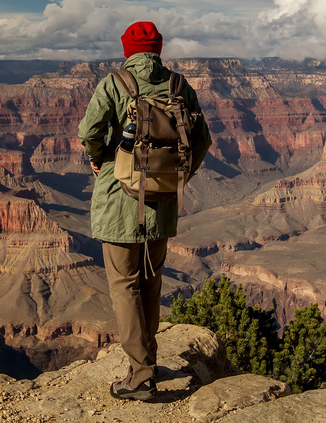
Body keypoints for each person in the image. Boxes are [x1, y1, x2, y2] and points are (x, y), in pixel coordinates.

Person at [77, 21, 211, 400]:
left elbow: (89, 131)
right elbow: (203, 140)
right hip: (163, 201)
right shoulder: (179, 86)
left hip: (120, 201)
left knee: (125, 287)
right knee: (151, 284)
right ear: (158, 49)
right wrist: (180, 174)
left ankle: (140, 377)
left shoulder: (114, 83)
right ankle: (147, 362)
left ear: (127, 50)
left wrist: (100, 158)